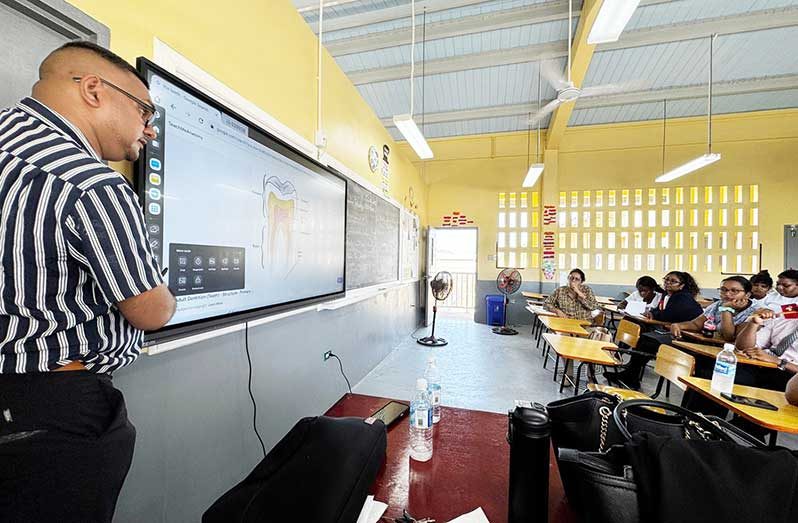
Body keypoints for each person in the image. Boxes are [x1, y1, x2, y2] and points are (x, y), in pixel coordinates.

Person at [0, 41, 176, 522]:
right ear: (94, 90)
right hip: (53, 411)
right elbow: (151, 310)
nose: (150, 128)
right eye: (144, 110)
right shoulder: (89, 182)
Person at [605, 271, 703, 389]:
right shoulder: (667, 295)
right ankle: (631, 373)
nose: (668, 283)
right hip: (673, 330)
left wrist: (654, 314)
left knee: (647, 341)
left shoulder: (682, 297)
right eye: (666, 280)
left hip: (688, 336)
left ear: (681, 285)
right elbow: (659, 311)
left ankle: (631, 376)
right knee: (644, 338)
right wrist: (652, 313)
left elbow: (669, 315)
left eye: (673, 281)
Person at [669, 276, 756, 343]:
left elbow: (728, 337)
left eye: (734, 291)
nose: (727, 294)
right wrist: (678, 326)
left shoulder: (755, 312)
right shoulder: (718, 304)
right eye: (723, 290)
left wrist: (726, 309)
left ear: (747, 295)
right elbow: (696, 324)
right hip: (708, 345)